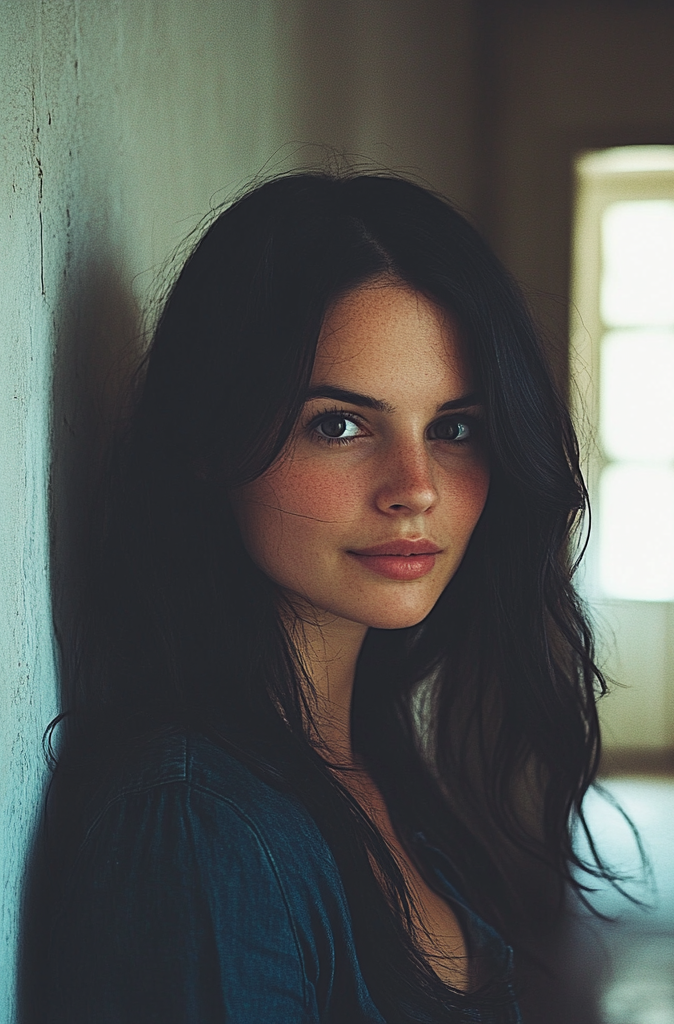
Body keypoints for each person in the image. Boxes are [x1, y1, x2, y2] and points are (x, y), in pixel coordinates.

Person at [41, 173, 623, 1023]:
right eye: (340, 425)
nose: (415, 488)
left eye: (454, 428)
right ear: (211, 436)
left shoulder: (368, 759)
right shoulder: (196, 828)